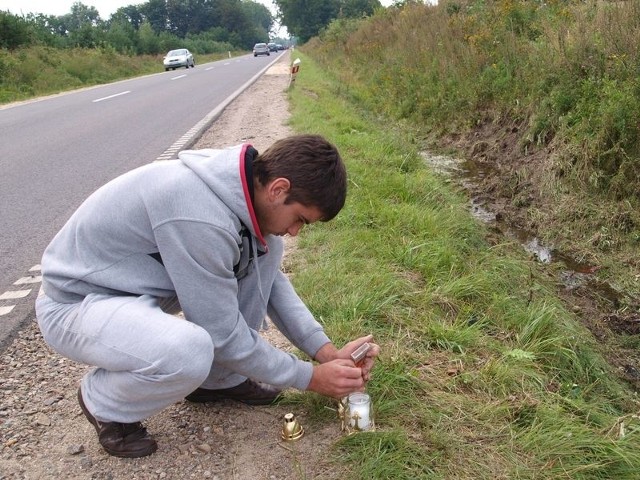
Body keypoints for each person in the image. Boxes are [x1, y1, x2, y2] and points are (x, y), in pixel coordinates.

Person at [35, 134, 379, 458]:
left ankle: (217, 382)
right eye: (300, 219)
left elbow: (270, 281)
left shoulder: (241, 190)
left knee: (267, 249)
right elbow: (222, 336)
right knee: (190, 350)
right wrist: (310, 378)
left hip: (130, 290)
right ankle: (104, 402)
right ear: (278, 188)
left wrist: (326, 352)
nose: (294, 231)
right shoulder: (200, 214)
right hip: (75, 303)